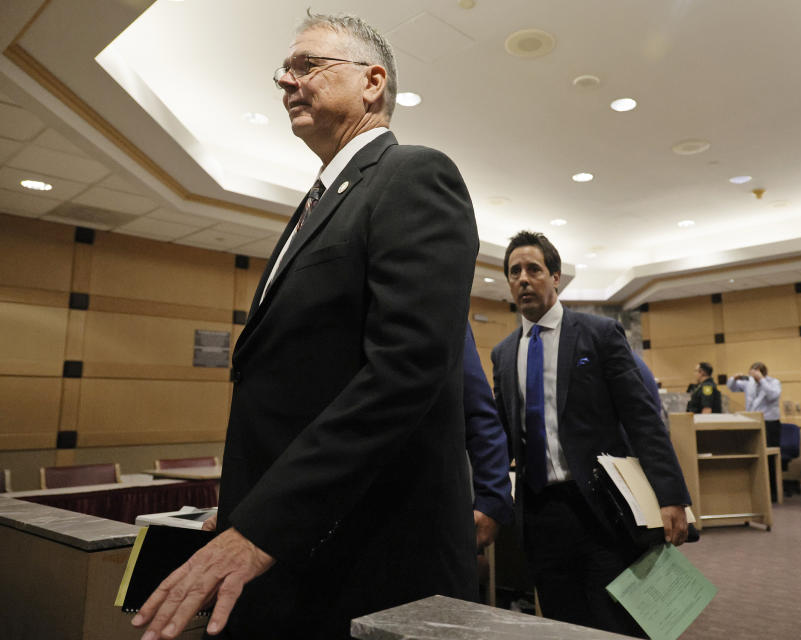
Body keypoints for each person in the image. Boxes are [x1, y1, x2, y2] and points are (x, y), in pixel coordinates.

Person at [133, 13, 479, 640]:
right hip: (301, 548)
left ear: (372, 82)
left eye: (307, 65)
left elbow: (403, 372)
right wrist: (243, 505)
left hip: (370, 562)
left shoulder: (414, 176)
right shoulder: (322, 199)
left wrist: (264, 524)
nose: (285, 81)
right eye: (283, 71)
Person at [491, 230, 691, 637]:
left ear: (556, 277)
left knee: (615, 622)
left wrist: (671, 496)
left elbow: (643, 418)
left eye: (534, 269)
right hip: (541, 515)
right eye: (515, 272)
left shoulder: (599, 334)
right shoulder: (503, 353)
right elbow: (503, 434)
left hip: (602, 510)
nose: (524, 279)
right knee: (563, 622)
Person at [463, 323, 514, 549]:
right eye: (511, 282)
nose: (521, 284)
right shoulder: (504, 352)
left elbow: (481, 414)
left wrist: (492, 498)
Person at [728, 361, 782, 500]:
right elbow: (732, 388)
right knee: (753, 454)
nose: (754, 375)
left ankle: (773, 493)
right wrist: (735, 378)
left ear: (763, 372)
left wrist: (762, 380)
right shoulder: (749, 383)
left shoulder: (773, 382)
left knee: (769, 458)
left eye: (757, 372)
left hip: (770, 423)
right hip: (752, 421)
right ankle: (758, 491)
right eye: (752, 371)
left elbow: (772, 395)